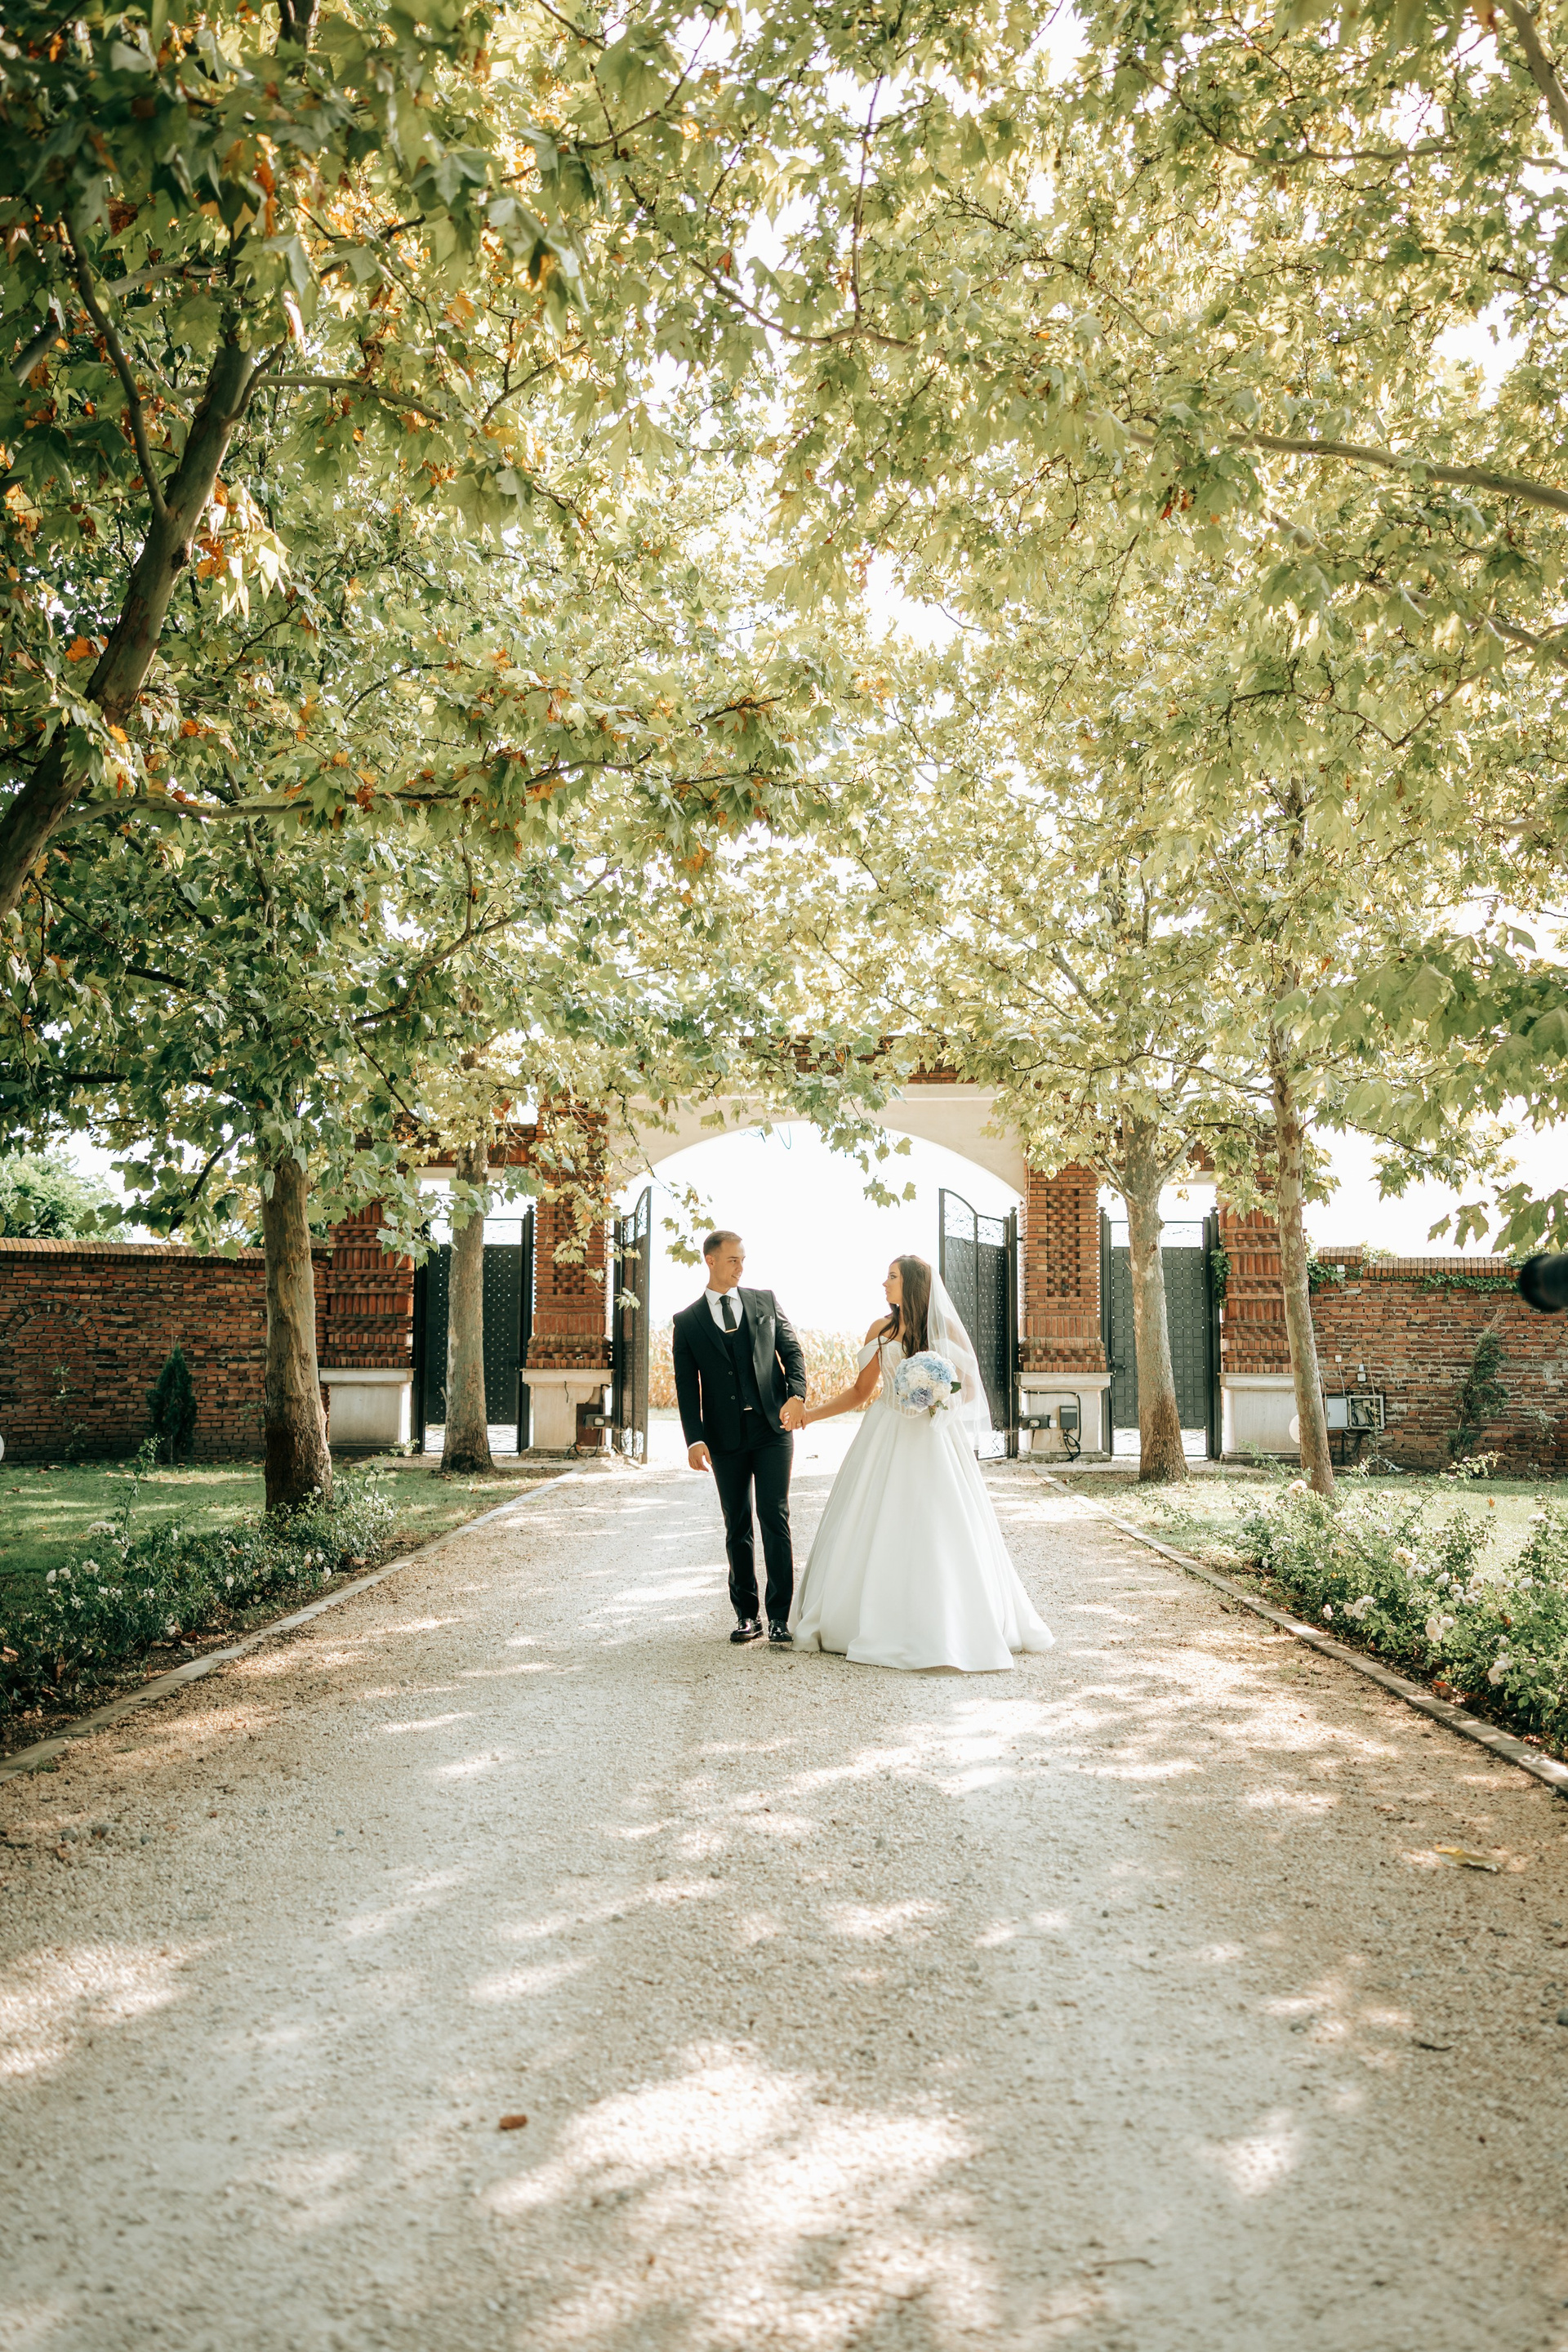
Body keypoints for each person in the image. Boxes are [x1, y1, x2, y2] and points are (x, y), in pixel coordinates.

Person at [789, 1254, 1054, 1672]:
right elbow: (860, 1392)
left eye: (891, 1277)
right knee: (876, 1517)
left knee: (939, 1521)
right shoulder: (880, 1331)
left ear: (911, 1284)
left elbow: (968, 1389)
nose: (884, 1284)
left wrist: (937, 1399)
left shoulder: (944, 1329)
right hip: (886, 1433)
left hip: (933, 1437)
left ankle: (947, 1621)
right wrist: (811, 1415)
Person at [673, 1229, 808, 1648]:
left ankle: (780, 1617)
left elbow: (792, 1352)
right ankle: (747, 1615)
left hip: (772, 1429)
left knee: (775, 1517)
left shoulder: (765, 1301)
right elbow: (686, 1387)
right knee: (737, 1524)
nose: (740, 1267)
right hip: (723, 1437)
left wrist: (797, 1394)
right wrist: (694, 1439)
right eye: (733, 1260)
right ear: (711, 1260)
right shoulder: (687, 1321)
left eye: (743, 1259)